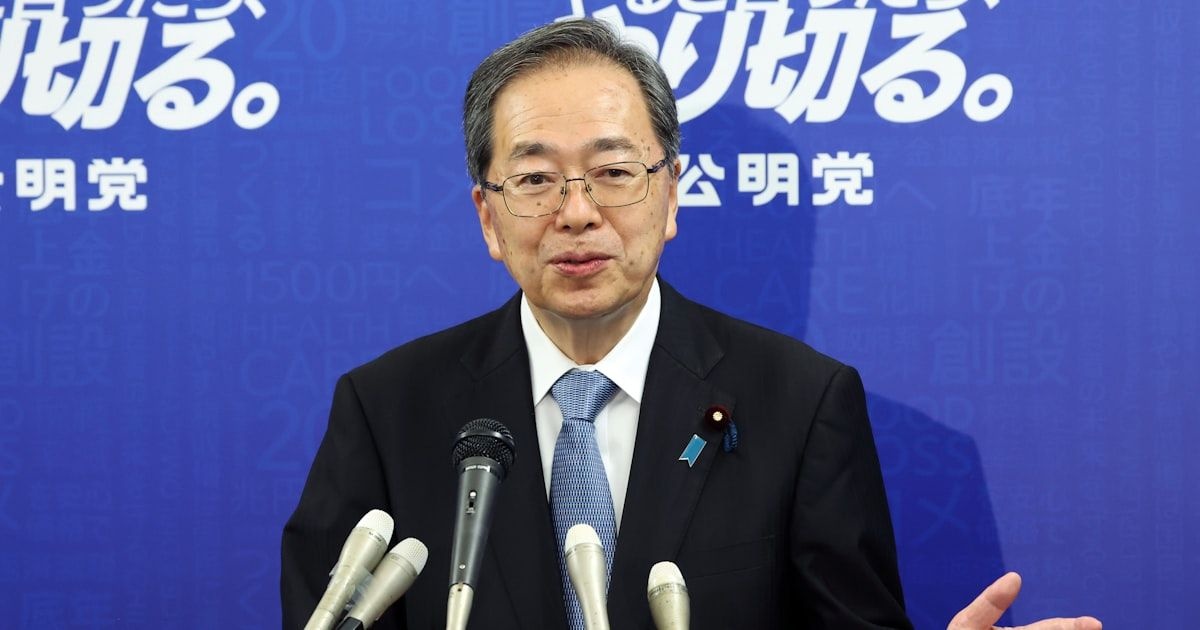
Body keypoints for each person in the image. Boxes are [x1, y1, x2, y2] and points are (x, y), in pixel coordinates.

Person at [282, 18, 1101, 630]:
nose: (577, 213)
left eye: (613, 172)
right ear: (488, 217)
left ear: (671, 195)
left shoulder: (800, 406)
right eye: (535, 179)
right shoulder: (389, 412)